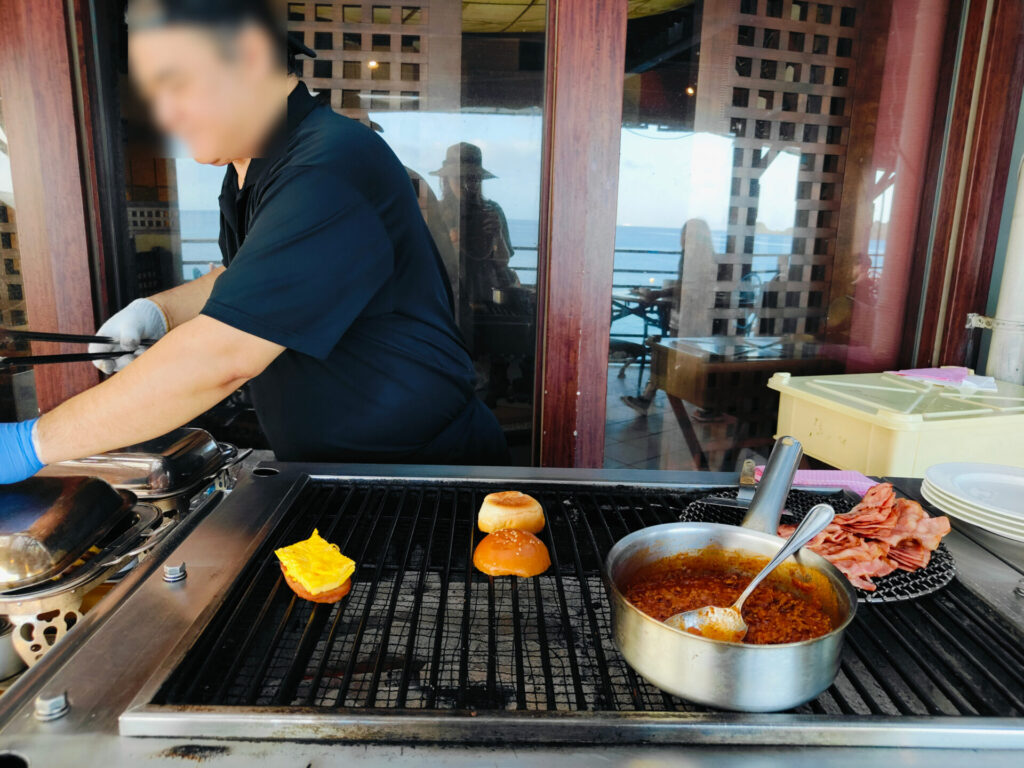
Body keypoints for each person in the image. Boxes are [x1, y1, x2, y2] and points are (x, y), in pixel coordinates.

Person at [0, 0, 509, 484]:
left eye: (175, 83)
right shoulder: (251, 169)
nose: (165, 115)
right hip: (335, 469)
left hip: (422, 473)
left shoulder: (327, 166)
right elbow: (245, 276)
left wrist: (30, 445)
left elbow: (223, 358)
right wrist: (159, 312)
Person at [621, 219, 719, 416]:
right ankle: (650, 398)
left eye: (685, 234)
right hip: (686, 316)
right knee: (672, 357)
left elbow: (689, 287)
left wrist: (658, 293)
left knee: (669, 357)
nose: (681, 238)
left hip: (691, 318)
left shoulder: (697, 257)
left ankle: (706, 406)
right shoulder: (696, 255)